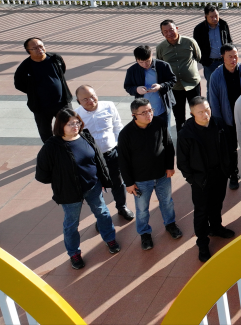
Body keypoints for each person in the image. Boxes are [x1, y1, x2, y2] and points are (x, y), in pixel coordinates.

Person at [35, 109, 121, 270]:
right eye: (70, 124)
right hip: (69, 193)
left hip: (93, 186)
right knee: (71, 224)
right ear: (60, 126)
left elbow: (98, 160)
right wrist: (61, 181)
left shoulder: (85, 136)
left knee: (102, 213)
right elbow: (42, 174)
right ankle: (74, 253)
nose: (75, 126)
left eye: (77, 122)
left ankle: (110, 239)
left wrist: (103, 180)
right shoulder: (51, 146)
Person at [176, 96, 236, 262]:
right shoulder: (186, 133)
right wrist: (192, 179)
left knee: (217, 203)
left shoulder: (219, 124)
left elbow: (230, 146)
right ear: (192, 113)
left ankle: (216, 227)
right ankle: (202, 243)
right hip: (200, 179)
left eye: (207, 109)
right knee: (201, 212)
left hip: (220, 174)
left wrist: (230, 168)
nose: (205, 114)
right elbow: (182, 161)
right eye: (200, 112)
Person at [118, 98, 183, 250]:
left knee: (167, 202)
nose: (149, 115)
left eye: (150, 110)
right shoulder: (126, 134)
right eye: (144, 113)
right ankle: (145, 233)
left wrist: (170, 166)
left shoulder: (159, 123)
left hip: (162, 176)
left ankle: (170, 224)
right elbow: (123, 160)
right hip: (141, 180)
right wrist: (129, 183)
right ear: (134, 115)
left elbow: (168, 144)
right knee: (142, 209)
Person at [74, 85, 134, 221]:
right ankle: (101, 217)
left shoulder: (109, 106)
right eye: (85, 99)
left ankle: (122, 207)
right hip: (91, 158)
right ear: (78, 101)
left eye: (92, 96)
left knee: (118, 182)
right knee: (95, 188)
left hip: (111, 153)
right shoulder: (76, 115)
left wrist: (121, 147)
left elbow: (118, 127)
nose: (90, 100)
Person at [14, 37, 72, 142]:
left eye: (41, 46)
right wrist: (33, 91)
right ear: (28, 51)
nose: (39, 49)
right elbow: (19, 84)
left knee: (69, 126)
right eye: (35, 48)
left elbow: (62, 71)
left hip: (62, 102)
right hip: (41, 106)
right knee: (45, 132)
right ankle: (51, 149)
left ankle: (69, 146)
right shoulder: (24, 67)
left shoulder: (55, 58)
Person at [207, 44, 241, 190]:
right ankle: (233, 174)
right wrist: (219, 122)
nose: (233, 59)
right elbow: (214, 101)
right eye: (230, 56)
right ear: (222, 57)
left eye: (235, 56)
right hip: (228, 119)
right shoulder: (216, 76)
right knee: (230, 150)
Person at [156, 20, 202, 132]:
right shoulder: (161, 47)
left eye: (171, 30)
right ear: (162, 33)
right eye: (165, 31)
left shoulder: (190, 42)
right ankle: (182, 138)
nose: (169, 33)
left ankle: (198, 136)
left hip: (192, 84)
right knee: (179, 117)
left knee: (197, 113)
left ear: (177, 28)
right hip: (175, 87)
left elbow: (198, 57)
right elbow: (160, 65)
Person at [124, 45, 177, 127]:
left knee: (165, 131)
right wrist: (136, 89)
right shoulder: (132, 70)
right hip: (143, 111)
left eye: (147, 61)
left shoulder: (163, 66)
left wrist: (161, 86)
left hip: (162, 107)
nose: (145, 64)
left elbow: (172, 80)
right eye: (141, 62)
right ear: (136, 59)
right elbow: (127, 86)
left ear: (151, 55)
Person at [193, 5, 233, 83]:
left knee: (227, 83)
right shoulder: (199, 29)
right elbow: (196, 47)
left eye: (216, 16)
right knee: (212, 85)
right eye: (211, 17)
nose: (214, 19)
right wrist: (204, 61)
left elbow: (229, 41)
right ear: (205, 16)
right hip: (210, 64)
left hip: (225, 61)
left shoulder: (223, 24)